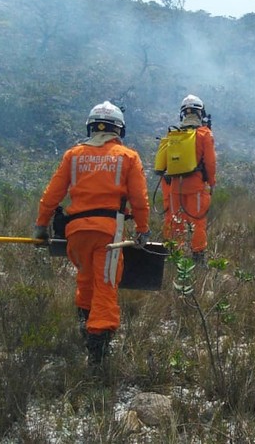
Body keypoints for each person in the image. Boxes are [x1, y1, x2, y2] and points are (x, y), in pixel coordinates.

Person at [33, 101, 151, 368]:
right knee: (105, 288)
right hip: (109, 236)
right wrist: (143, 230)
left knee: (86, 282)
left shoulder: (73, 155)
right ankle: (98, 355)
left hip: (76, 234)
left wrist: (40, 225)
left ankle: (85, 330)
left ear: (91, 127)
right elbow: (139, 199)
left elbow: (52, 194)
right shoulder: (128, 157)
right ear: (118, 129)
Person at [155, 94, 217, 262]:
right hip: (196, 186)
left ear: (183, 113)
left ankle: (174, 254)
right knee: (198, 221)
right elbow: (210, 162)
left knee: (175, 220)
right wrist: (212, 183)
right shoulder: (204, 134)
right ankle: (198, 256)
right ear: (200, 113)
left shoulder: (174, 134)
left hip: (175, 186)